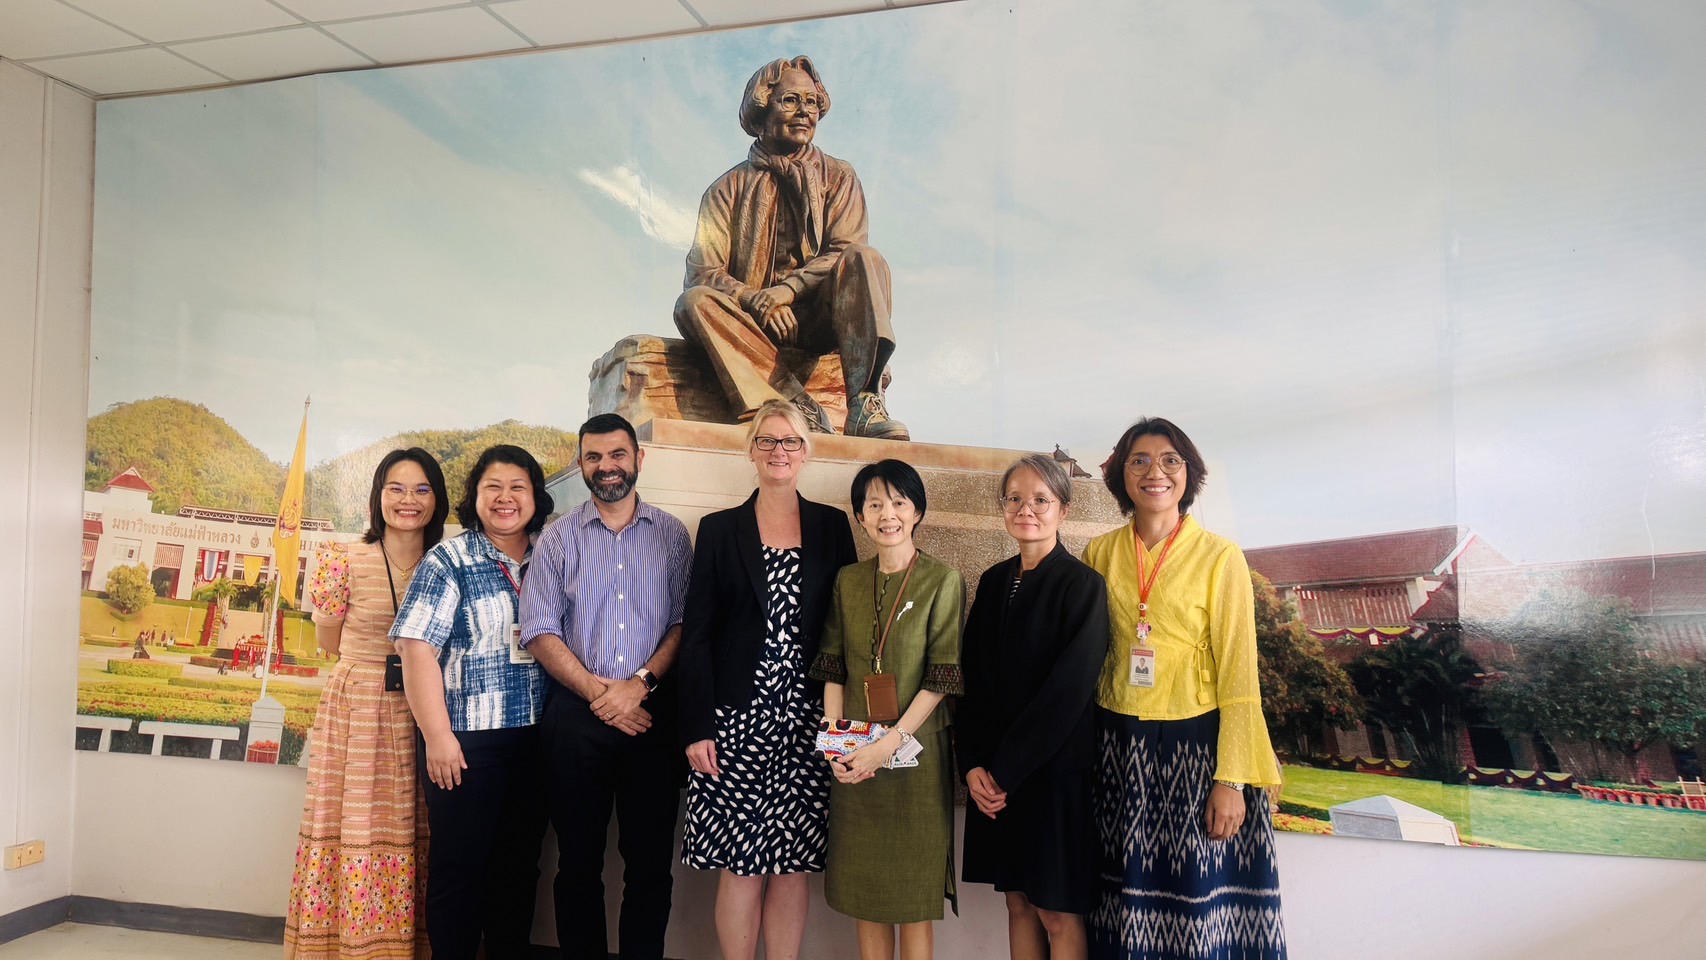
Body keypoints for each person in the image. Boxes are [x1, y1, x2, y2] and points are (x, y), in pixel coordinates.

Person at [1081, 418, 1286, 960]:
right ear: (1121, 475)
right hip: (1117, 749)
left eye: (1170, 460)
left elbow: (1241, 675)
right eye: (1139, 460)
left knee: (1200, 908)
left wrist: (1232, 780)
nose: (1155, 472)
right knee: (1124, 906)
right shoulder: (1099, 554)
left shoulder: (1221, 557)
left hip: (1198, 751)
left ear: (1189, 473)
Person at [677, 398, 859, 960]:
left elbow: (845, 629)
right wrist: (696, 726)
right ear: (752, 449)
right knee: (741, 863)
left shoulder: (831, 527)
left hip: (808, 721)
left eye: (790, 442)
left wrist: (848, 730)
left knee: (793, 865)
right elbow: (698, 635)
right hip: (735, 723)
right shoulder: (719, 529)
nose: (779, 451)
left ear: (806, 452)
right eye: (768, 441)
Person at [517, 413, 693, 960]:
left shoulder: (671, 535)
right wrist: (602, 695)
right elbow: (540, 630)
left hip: (651, 718)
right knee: (577, 864)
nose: (606, 466)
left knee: (648, 868)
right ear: (581, 464)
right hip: (574, 720)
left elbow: (682, 624)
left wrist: (637, 687)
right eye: (593, 457)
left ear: (639, 458)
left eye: (617, 454)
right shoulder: (558, 537)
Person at [674, 55, 909, 440]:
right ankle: (793, 404)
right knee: (693, 303)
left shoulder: (840, 176)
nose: (805, 112)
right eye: (790, 101)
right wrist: (755, 300)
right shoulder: (724, 190)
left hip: (822, 315)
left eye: (812, 102)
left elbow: (843, 249)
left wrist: (787, 291)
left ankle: (864, 404)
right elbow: (701, 273)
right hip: (755, 324)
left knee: (865, 258)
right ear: (762, 107)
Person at [391, 445, 554, 960]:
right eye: (493, 488)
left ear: (535, 497)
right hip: (466, 743)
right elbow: (415, 648)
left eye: (517, 488)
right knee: (460, 867)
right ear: (475, 497)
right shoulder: (450, 560)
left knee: (519, 868)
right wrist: (437, 737)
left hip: (537, 740)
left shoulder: (553, 555)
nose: (505, 499)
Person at [284, 447, 447, 960]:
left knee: (421, 827)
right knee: (355, 825)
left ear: (437, 500)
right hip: (358, 710)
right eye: (396, 488)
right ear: (378, 496)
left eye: (422, 489)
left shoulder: (447, 560)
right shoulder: (343, 558)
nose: (408, 500)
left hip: (430, 710)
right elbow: (328, 641)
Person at [808, 459, 962, 960]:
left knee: (913, 897)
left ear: (916, 510)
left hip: (915, 758)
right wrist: (836, 746)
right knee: (866, 895)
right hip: (854, 759)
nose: (886, 514)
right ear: (859, 516)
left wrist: (887, 744)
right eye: (874, 504)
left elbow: (942, 677)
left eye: (898, 502)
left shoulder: (943, 579)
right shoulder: (847, 581)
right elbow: (832, 667)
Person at [957, 454, 1108, 960]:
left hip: (1052, 776)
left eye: (1041, 499)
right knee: (1017, 902)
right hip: (995, 778)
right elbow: (972, 680)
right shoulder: (994, 581)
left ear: (1063, 509)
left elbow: (1067, 693)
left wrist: (1005, 771)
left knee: (1057, 912)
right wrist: (973, 765)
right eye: (1015, 499)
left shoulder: (1082, 585)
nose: (1028, 509)